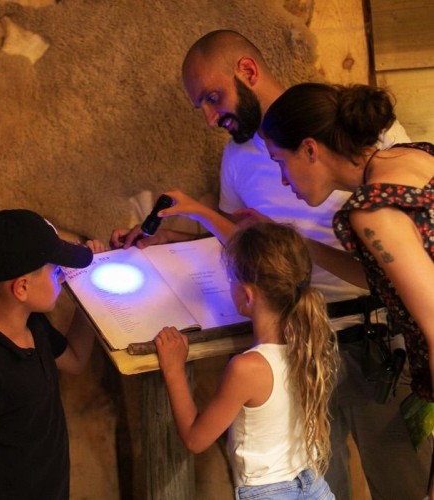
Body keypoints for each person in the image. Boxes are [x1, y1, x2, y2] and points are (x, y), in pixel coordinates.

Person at [111, 30, 431, 499]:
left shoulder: (370, 188)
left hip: (373, 338)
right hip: (299, 343)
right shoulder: (404, 162)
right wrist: (180, 229)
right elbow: (254, 247)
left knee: (405, 482)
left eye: (212, 97)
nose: (209, 117)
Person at [261, 81, 434, 496]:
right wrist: (301, 245)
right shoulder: (413, 157)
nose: (283, 180)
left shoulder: (372, 208)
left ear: (310, 149)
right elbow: (389, 278)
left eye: (280, 162)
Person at [154, 221, 339, 499]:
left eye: (231, 280)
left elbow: (195, 439)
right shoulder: (312, 343)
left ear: (247, 295)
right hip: (314, 485)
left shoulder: (247, 368)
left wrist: (173, 369)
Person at [0, 209, 103, 500]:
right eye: (55, 271)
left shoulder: (34, 326)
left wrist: (88, 289)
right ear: (22, 287)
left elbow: (75, 359)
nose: (61, 278)